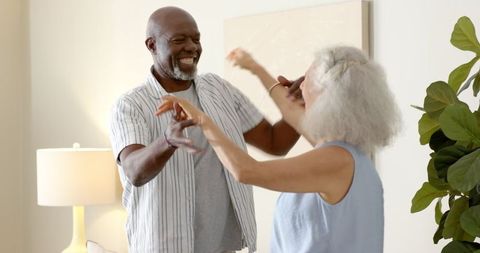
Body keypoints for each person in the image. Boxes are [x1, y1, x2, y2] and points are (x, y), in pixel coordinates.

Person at [157, 46, 401, 253]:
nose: (301, 85)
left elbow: (246, 171)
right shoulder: (349, 156)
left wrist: (201, 119)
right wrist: (254, 68)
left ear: (325, 95)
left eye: (307, 78)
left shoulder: (335, 161)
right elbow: (292, 113)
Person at [108, 7, 301, 253]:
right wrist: (167, 141)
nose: (192, 47)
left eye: (196, 39)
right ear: (152, 45)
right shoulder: (130, 105)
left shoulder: (219, 90)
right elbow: (134, 171)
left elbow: (275, 143)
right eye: (179, 40)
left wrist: (301, 107)